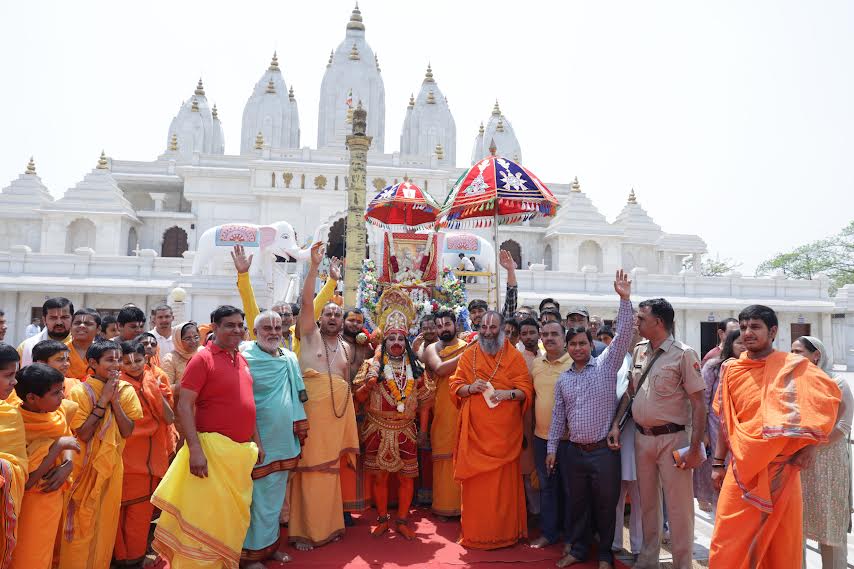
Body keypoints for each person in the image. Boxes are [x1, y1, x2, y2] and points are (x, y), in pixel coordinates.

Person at [708, 306, 841, 569]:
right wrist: (716, 463)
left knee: (781, 543)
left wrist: (811, 447)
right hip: (742, 469)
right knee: (726, 541)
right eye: (743, 327)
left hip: (783, 469)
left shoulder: (795, 367)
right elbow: (727, 421)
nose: (747, 333)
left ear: (773, 331)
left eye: (755, 327)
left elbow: (832, 402)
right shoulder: (732, 370)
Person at [151, 306, 260, 569]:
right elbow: (184, 406)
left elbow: (248, 404)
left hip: (239, 456)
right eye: (229, 325)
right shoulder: (202, 359)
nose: (236, 330)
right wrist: (195, 450)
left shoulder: (241, 359)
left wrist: (258, 442)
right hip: (210, 454)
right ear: (213, 327)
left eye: (239, 325)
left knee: (230, 520)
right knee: (205, 521)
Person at [608, 297, 706, 569]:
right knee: (647, 505)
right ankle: (648, 561)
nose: (637, 323)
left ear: (659, 322)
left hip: (674, 439)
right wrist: (617, 423)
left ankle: (682, 564)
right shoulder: (639, 351)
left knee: (679, 509)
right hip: (642, 439)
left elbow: (700, 405)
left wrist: (696, 448)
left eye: (641, 318)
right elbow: (630, 394)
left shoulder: (684, 354)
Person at [547, 270, 634, 569]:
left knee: (605, 507)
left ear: (590, 344)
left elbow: (623, 335)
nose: (578, 348)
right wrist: (551, 451)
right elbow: (558, 417)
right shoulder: (564, 380)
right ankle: (580, 550)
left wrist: (624, 300)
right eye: (573, 345)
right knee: (578, 505)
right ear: (567, 349)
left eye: (583, 343)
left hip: (603, 452)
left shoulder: (607, 365)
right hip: (574, 453)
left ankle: (606, 555)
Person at [288, 243, 359, 551]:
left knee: (330, 473)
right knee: (307, 473)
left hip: (335, 422)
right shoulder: (308, 335)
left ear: (342, 321)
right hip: (310, 421)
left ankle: (331, 526)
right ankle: (304, 531)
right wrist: (315, 269)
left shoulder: (346, 348)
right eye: (327, 313)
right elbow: (305, 303)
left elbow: (345, 384)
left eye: (337, 314)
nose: (332, 317)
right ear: (320, 318)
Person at [450, 310, 533, 549]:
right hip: (475, 436)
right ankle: (477, 534)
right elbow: (455, 386)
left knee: (502, 488)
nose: (487, 332)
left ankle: (503, 534)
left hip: (504, 435)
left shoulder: (513, 356)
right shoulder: (469, 355)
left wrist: (507, 393)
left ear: (502, 329)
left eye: (492, 328)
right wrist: (469, 388)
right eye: (483, 328)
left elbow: (525, 390)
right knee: (477, 490)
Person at [59, 340, 143, 569]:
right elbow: (84, 434)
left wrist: (114, 401)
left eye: (119, 359)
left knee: (104, 525)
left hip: (111, 469)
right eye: (109, 360)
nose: (116, 365)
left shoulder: (125, 391)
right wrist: (103, 400)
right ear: (93, 363)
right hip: (82, 470)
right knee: (77, 526)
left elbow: (127, 431)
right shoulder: (79, 392)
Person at [353, 295, 431, 539]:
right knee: (380, 477)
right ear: (384, 340)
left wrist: (425, 432)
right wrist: (367, 385)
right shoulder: (370, 365)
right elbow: (358, 398)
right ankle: (383, 519)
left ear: (406, 341)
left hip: (407, 429)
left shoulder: (416, 367)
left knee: (408, 478)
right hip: (376, 428)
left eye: (400, 338)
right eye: (392, 338)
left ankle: (404, 520)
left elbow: (426, 403)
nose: (396, 342)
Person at [241, 311, 307, 567]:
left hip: (284, 440)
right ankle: (250, 555)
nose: (273, 332)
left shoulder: (289, 357)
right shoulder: (245, 358)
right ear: (255, 332)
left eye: (278, 327)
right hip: (257, 441)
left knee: (275, 500)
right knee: (257, 500)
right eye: (267, 328)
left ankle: (269, 548)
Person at [10, 364, 79, 569]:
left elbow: (68, 438)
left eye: (62, 390)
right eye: (56, 392)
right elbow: (29, 480)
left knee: (45, 552)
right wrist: (57, 447)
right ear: (32, 398)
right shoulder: (16, 423)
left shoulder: (58, 413)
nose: (62, 396)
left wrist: (67, 465)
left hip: (53, 497)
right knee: (27, 555)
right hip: (29, 503)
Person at [792, 335, 852, 569]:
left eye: (800, 352)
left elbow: (843, 427)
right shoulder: (792, 383)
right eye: (792, 352)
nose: (794, 356)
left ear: (816, 355)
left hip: (829, 463)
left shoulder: (837, 383)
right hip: (799, 464)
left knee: (831, 524)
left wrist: (812, 447)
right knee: (797, 526)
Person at [114, 341, 174, 569]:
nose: (132, 366)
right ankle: (122, 558)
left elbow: (168, 418)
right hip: (126, 459)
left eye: (137, 360)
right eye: (126, 362)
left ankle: (135, 559)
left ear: (146, 359)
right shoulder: (116, 384)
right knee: (119, 516)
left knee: (140, 516)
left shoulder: (154, 380)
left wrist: (157, 392)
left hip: (152, 458)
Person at [232, 243, 338, 356]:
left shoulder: (298, 334)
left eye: (287, 315)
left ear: (293, 318)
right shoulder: (262, 334)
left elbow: (312, 308)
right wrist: (243, 274)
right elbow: (249, 303)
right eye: (279, 315)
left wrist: (332, 281)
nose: (283, 318)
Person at [528, 320, 572, 550]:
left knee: (570, 490)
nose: (549, 338)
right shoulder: (536, 364)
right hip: (541, 439)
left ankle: (572, 538)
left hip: (569, 441)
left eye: (555, 333)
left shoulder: (575, 363)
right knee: (547, 488)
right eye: (544, 334)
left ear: (564, 337)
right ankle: (549, 533)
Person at [422, 309, 468, 520]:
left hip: (466, 406)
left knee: (465, 455)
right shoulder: (433, 348)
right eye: (439, 326)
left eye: (447, 325)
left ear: (456, 325)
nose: (443, 329)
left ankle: (464, 507)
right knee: (443, 457)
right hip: (442, 408)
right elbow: (439, 369)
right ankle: (443, 506)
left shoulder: (466, 345)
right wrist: (468, 353)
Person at [694, 330, 744, 512]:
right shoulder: (714, 367)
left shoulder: (754, 367)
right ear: (730, 344)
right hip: (715, 428)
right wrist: (704, 432)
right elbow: (704, 399)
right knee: (715, 471)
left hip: (742, 431)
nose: (744, 347)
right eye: (740, 343)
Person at [612, 325, 643, 560]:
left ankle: (639, 546)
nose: (633, 333)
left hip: (643, 436)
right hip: (616, 433)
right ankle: (613, 542)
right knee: (615, 494)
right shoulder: (615, 359)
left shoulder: (651, 356)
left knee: (641, 495)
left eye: (637, 328)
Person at [0, 344, 27, 566]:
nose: (14, 382)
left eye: (16, 375)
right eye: (8, 375)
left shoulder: (9, 413)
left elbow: (18, 462)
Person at [19, 297, 74, 366]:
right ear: (44, 320)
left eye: (64, 317)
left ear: (72, 318)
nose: (59, 322)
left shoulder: (84, 346)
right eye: (53, 318)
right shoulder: (26, 347)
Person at [161, 321, 201, 388]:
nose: (193, 341)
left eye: (196, 337)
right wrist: (188, 385)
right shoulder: (169, 359)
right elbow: (165, 388)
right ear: (178, 339)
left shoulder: (203, 352)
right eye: (188, 338)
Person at [66, 308, 101, 380]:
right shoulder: (60, 351)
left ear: (98, 329)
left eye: (88, 324)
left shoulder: (103, 352)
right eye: (77, 323)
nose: (81, 326)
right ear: (70, 327)